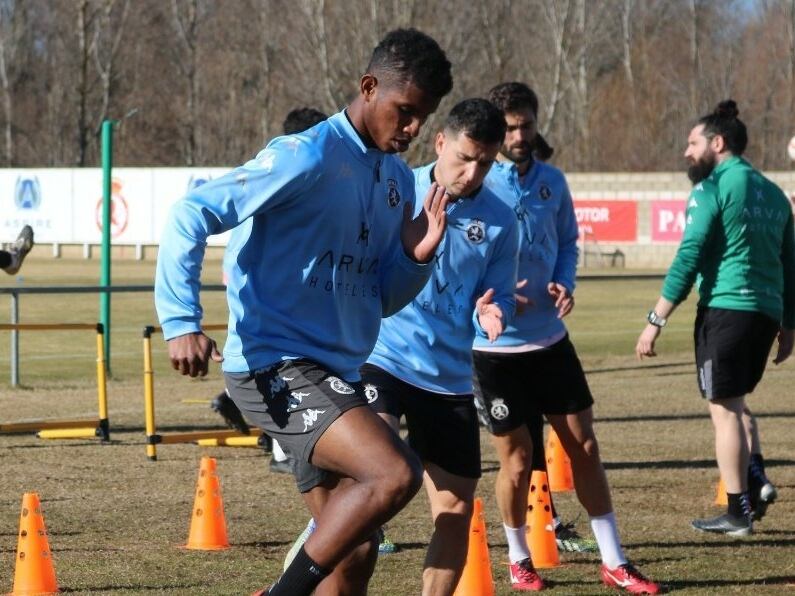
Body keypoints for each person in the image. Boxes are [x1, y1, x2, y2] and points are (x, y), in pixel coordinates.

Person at [155, 27, 453, 596]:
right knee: (394, 474)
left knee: (356, 550)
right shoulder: (307, 155)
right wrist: (181, 321)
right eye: (405, 111)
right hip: (275, 365)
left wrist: (415, 259)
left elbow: (376, 296)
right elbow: (190, 213)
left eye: (424, 117)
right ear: (369, 87)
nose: (413, 129)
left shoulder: (393, 180)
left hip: (333, 377)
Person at [473, 82, 660, 594]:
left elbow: (570, 243)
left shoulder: (553, 181)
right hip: (495, 350)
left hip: (551, 341)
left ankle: (615, 560)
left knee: (586, 446)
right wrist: (488, 298)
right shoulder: (479, 183)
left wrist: (564, 282)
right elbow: (455, 259)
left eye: (526, 124)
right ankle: (518, 557)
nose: (518, 135)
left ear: (536, 124)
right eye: (509, 127)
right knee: (516, 460)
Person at [636, 100, 794, 537]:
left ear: (717, 143)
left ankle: (736, 510)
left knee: (722, 410)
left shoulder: (712, 188)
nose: (686, 152)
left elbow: (690, 254)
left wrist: (657, 318)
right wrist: (789, 325)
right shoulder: (774, 193)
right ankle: (756, 480)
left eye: (692, 142)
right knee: (737, 403)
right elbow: (791, 264)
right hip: (764, 314)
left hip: (725, 311)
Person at [211, 106, 330, 476]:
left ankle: (238, 404)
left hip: (247, 287)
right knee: (280, 370)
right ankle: (282, 451)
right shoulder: (289, 180)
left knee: (271, 372)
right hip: (271, 301)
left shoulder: (271, 180)